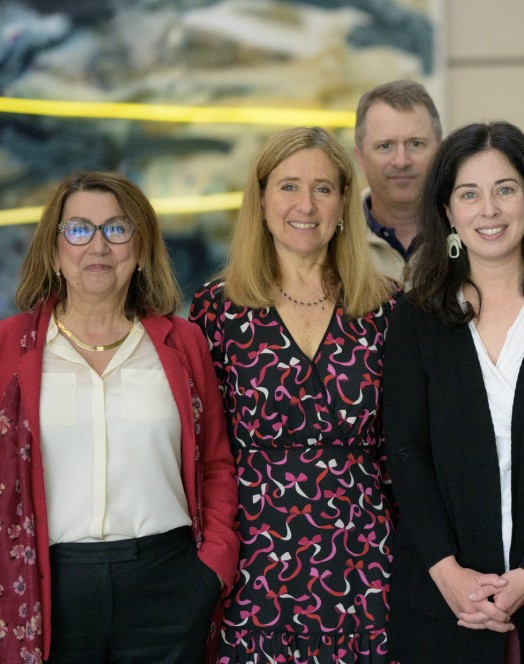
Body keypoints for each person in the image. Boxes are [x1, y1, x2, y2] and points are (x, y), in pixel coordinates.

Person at [382, 121, 524, 663]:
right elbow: (406, 450)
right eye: (469, 194)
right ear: (447, 211)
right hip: (443, 594)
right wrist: (447, 571)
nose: (489, 209)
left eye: (505, 189)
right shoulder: (417, 318)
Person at [0, 171, 239, 663]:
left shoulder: (182, 343)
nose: (98, 246)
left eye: (116, 228)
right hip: (48, 588)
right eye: (79, 229)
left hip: (169, 584)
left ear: (140, 247)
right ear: (53, 249)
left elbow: (216, 463)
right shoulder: (9, 347)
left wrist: (212, 566)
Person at [190, 126, 398, 662]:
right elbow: (202, 452)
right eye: (288, 186)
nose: (305, 205)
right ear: (260, 200)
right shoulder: (217, 310)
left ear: (344, 202)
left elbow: (407, 450)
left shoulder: (386, 307)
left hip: (368, 560)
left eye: (323, 188)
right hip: (254, 568)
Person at [354, 79, 442, 282]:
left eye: (416, 144)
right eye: (385, 146)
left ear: (440, 151)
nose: (401, 161)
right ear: (360, 157)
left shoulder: (471, 234)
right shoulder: (334, 238)